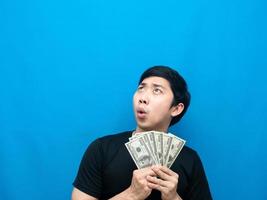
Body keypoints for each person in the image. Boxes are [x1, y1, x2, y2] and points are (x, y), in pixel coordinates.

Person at [72, 66, 212, 200]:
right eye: (141, 88)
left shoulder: (190, 159)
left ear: (176, 108)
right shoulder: (101, 149)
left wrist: (173, 198)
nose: (143, 98)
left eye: (157, 90)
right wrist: (131, 195)